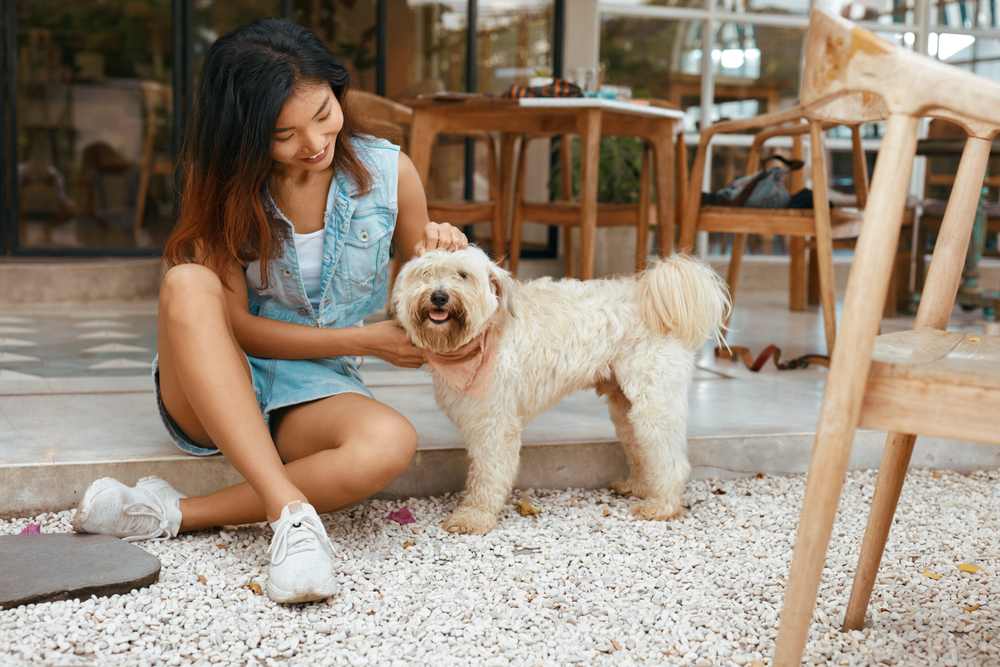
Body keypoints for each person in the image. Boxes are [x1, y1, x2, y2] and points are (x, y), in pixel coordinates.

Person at [71, 18, 468, 604]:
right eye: (284, 134)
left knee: (390, 441)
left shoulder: (389, 174)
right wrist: (364, 341)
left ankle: (172, 512)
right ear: (244, 133)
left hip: (313, 389)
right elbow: (240, 330)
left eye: (324, 114)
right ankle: (291, 518)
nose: (313, 142)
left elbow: (420, 299)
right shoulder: (223, 183)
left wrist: (444, 253)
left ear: (339, 92)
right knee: (186, 283)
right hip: (215, 379)